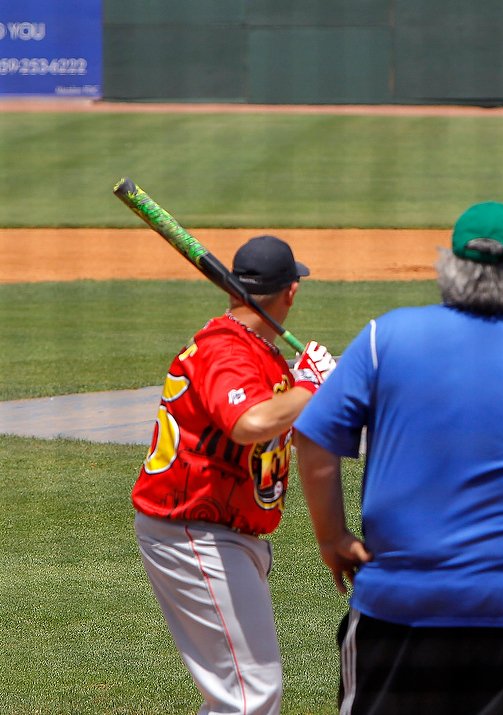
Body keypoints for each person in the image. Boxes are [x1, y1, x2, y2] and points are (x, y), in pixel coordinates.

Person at [293, 201, 503, 715]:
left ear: (450, 268)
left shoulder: (386, 338)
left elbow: (314, 436)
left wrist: (332, 537)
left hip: (394, 609)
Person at [132, 235, 335, 715]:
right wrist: (309, 385)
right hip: (196, 534)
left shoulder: (250, 348)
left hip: (222, 532)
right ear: (291, 291)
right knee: (248, 696)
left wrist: (310, 386)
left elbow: (280, 419)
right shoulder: (226, 350)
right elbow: (250, 423)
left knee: (242, 694)